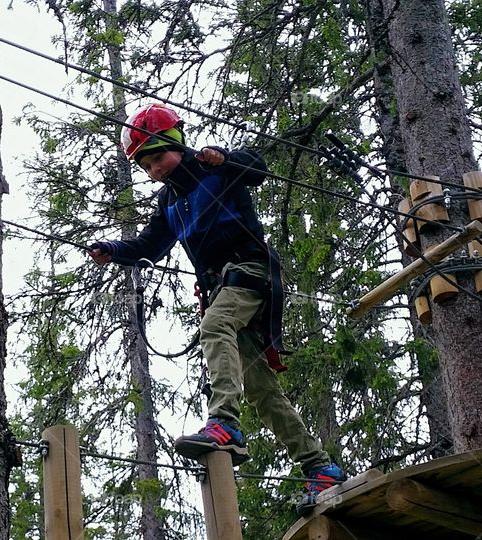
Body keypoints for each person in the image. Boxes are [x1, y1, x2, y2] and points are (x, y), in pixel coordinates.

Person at [88, 103, 345, 515]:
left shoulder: (213, 168)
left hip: (251, 271)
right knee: (261, 390)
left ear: (176, 143)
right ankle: (321, 467)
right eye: (146, 165)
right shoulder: (169, 203)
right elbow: (151, 246)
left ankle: (224, 422)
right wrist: (114, 249)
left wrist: (225, 158)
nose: (155, 169)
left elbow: (256, 168)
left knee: (214, 326)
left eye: (158, 157)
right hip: (222, 287)